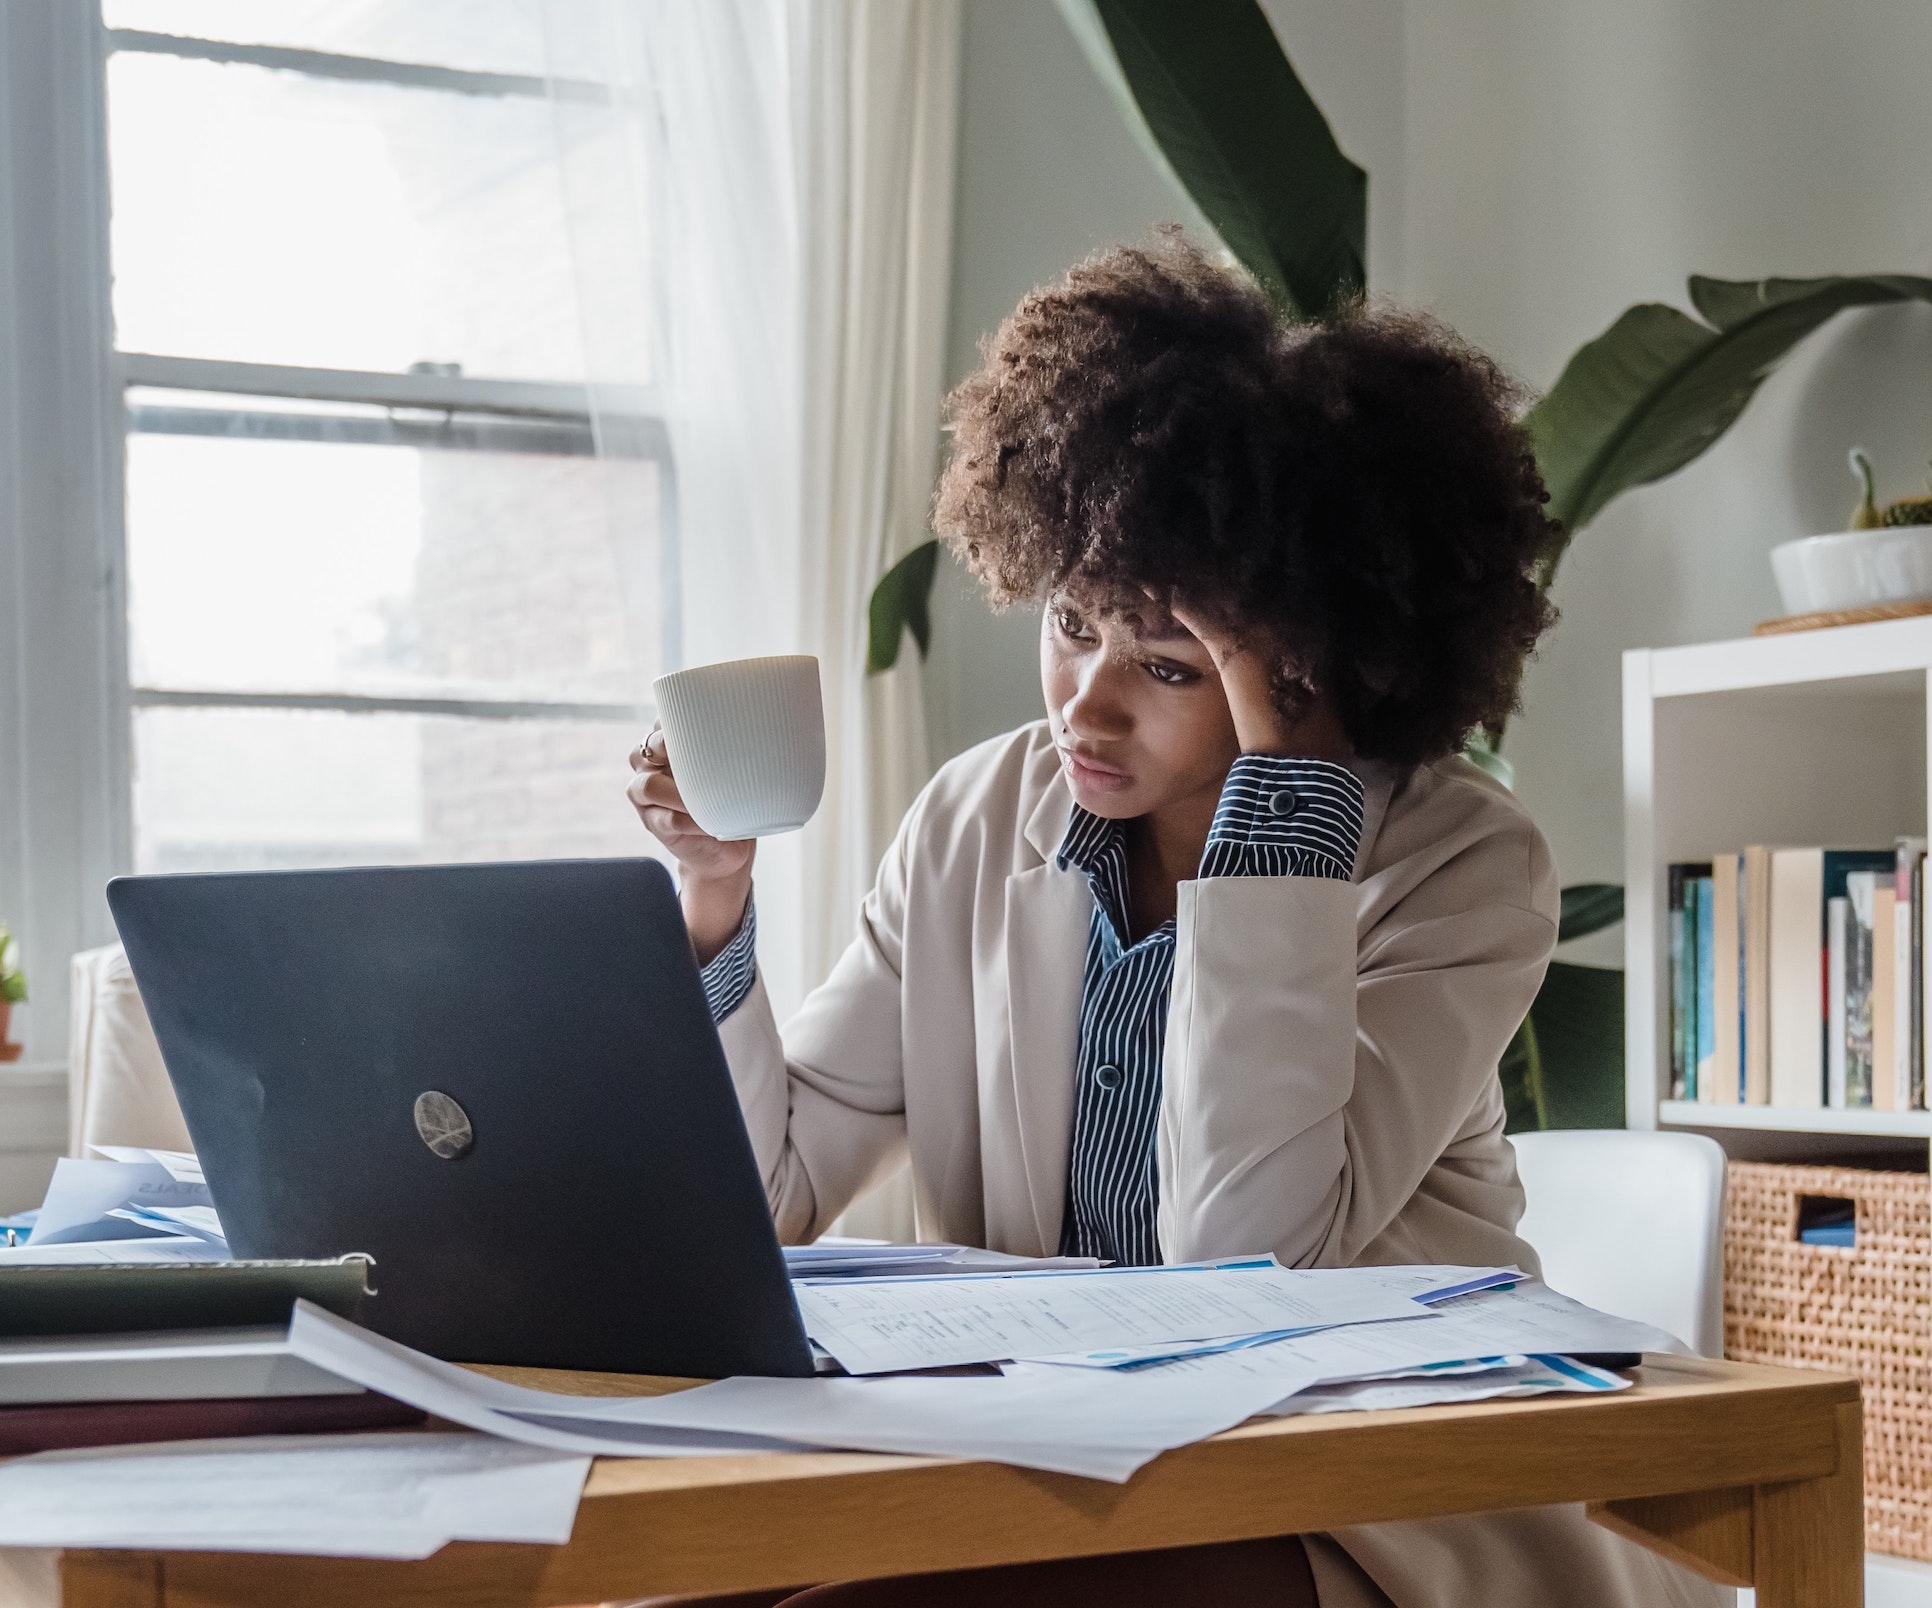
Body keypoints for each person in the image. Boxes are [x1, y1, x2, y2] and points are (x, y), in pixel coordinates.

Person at [628, 237, 1715, 1608]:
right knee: (677, 1591)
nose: (1085, 702)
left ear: (1307, 670)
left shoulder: (1463, 867)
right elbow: (770, 1206)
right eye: (1072, 624)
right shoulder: (973, 819)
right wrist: (713, 902)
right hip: (1037, 1464)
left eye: (1164, 663)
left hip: (1362, 1499)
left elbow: (1249, 1265)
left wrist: (1283, 819)